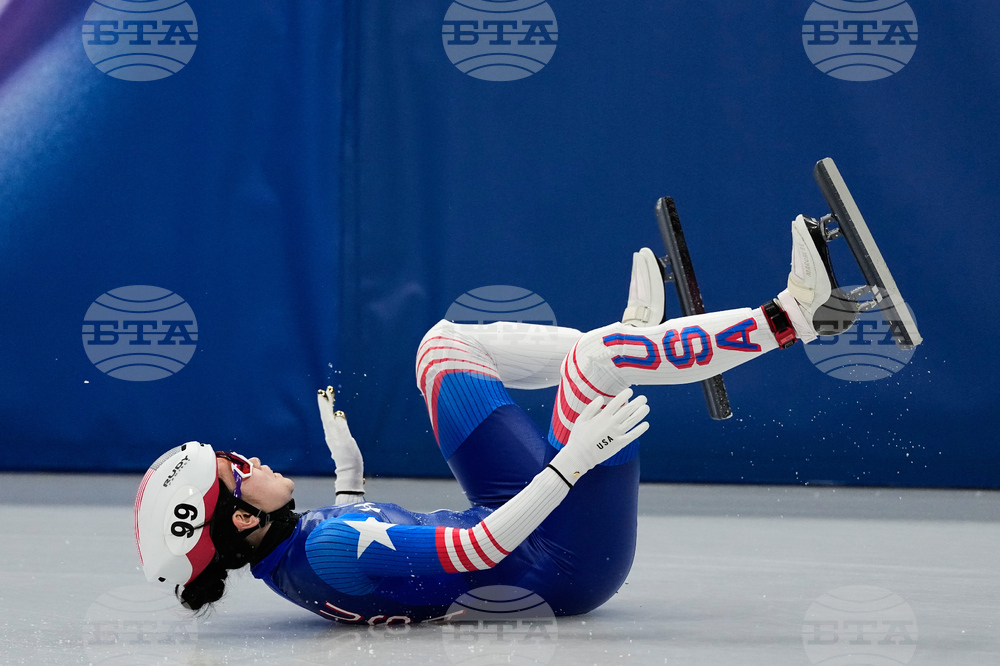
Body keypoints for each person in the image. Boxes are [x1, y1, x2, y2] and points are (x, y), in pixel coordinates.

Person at [134, 216, 845, 623]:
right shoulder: (326, 552)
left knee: (442, 349)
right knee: (597, 361)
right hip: (562, 564)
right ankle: (796, 317)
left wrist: (347, 472)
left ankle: (644, 351)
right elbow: (472, 551)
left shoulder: (295, 559)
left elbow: (375, 561)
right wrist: (572, 463)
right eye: (236, 472)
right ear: (240, 521)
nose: (250, 461)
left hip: (520, 530)